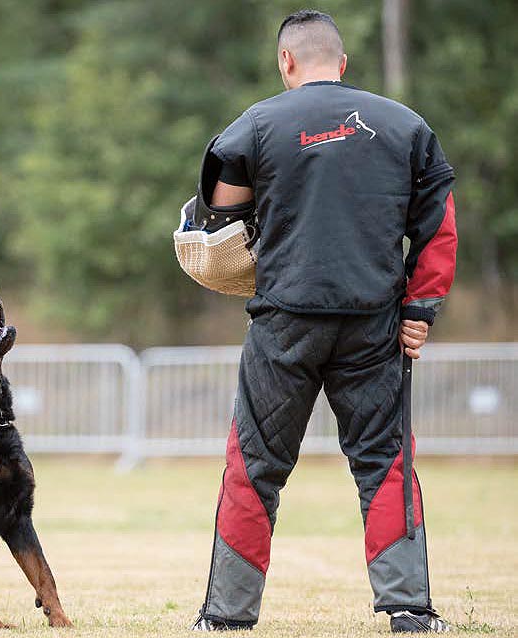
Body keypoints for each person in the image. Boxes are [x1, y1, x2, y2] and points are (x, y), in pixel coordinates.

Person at [189, 9, 456, 633]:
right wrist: (419, 310)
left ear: (286, 61)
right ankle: (410, 611)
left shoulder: (256, 124)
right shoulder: (405, 125)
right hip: (375, 325)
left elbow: (223, 219)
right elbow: (438, 227)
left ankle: (227, 618)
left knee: (254, 464)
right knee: (386, 460)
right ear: (343, 63)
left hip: (285, 323)